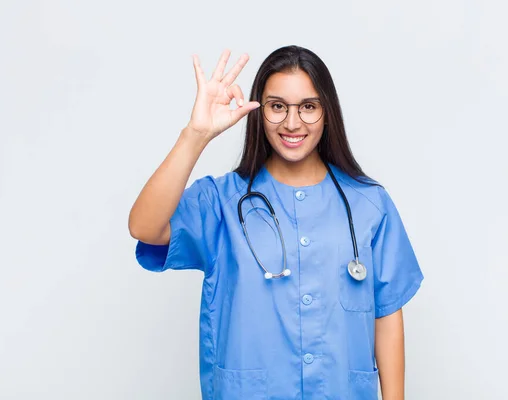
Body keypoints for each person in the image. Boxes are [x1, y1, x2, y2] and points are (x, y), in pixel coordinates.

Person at [128, 45, 424, 400]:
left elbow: (387, 313)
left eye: (308, 107)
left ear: (327, 113)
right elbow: (144, 227)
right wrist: (196, 134)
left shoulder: (369, 204)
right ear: (259, 111)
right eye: (278, 106)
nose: (292, 122)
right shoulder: (222, 201)